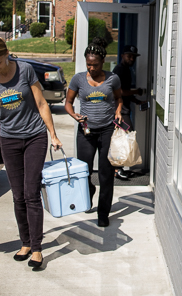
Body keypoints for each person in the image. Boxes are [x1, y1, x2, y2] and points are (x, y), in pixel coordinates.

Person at [0, 34, 62, 269]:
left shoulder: (25, 70)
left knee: (31, 192)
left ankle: (37, 248)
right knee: (18, 195)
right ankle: (26, 242)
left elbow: (42, 103)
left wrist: (52, 133)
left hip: (34, 137)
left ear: (7, 55)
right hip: (8, 140)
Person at [64, 38, 123, 227]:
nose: (91, 68)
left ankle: (103, 214)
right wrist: (74, 115)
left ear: (102, 62)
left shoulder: (113, 78)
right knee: (84, 171)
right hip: (86, 132)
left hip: (107, 130)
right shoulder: (78, 79)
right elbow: (68, 103)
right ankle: (88, 194)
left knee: (106, 174)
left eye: (95, 65)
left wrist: (118, 111)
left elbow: (119, 98)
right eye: (88, 65)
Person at [112, 44, 147, 180]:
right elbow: (120, 92)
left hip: (124, 109)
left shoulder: (127, 70)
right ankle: (117, 169)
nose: (131, 58)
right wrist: (137, 91)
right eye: (129, 56)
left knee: (125, 138)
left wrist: (137, 101)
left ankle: (118, 168)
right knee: (124, 138)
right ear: (122, 56)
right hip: (119, 111)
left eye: (133, 57)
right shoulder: (120, 70)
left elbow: (126, 93)